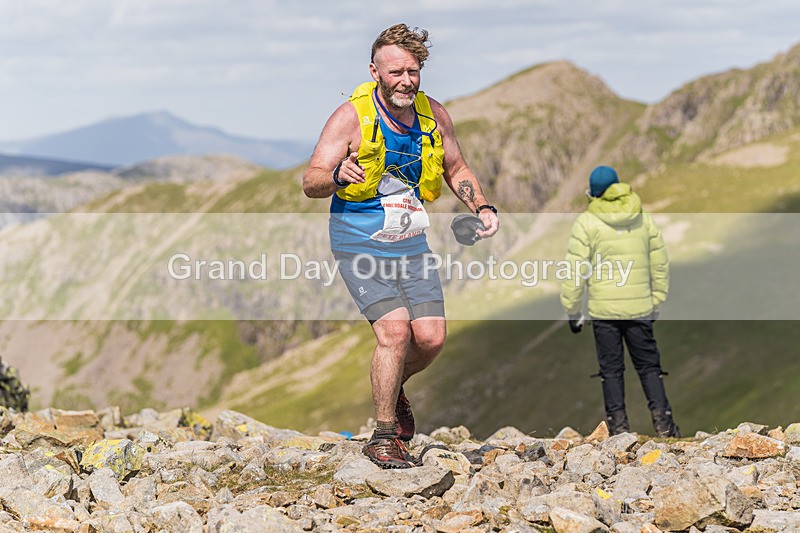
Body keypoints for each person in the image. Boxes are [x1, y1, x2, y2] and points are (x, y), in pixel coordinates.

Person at [303, 24, 500, 468]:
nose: (406, 81)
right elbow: (311, 180)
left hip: (410, 241)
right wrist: (337, 177)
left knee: (429, 339)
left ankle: (391, 388)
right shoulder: (349, 117)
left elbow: (456, 166)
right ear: (375, 71)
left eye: (413, 71)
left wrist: (482, 206)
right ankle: (384, 435)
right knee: (394, 333)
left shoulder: (434, 116)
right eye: (396, 72)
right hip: (358, 239)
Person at [560, 166, 680, 438]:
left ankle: (619, 430)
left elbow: (574, 269)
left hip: (604, 311)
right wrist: (657, 299)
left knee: (611, 371)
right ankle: (665, 426)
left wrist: (572, 310)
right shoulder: (641, 216)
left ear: (594, 193)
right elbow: (659, 261)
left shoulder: (586, 222)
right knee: (649, 367)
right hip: (640, 308)